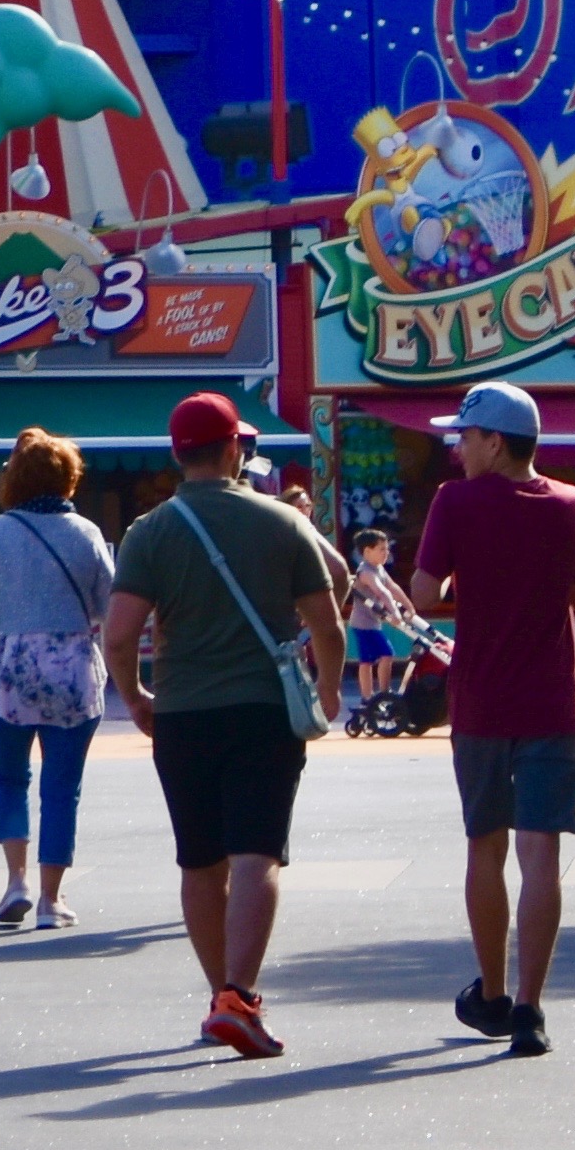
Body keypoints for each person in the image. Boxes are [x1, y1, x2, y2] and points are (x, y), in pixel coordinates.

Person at [100, 390, 347, 1059]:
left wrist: (135, 697)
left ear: (178, 453)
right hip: (263, 711)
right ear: (235, 447)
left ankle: (221, 999)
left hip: (181, 713)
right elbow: (327, 621)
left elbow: (118, 633)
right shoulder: (280, 522)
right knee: (256, 854)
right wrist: (324, 687)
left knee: (199, 859)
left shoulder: (150, 530)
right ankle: (238, 995)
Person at [413, 378, 575, 1060]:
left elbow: (423, 593)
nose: (457, 449)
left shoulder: (453, 502)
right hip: (552, 696)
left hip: (482, 700)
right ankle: (530, 1008)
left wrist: (467, 575)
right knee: (541, 851)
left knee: (484, 845)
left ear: (494, 440)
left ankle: (489, 992)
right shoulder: (570, 502)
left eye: (464, 436)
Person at [0, 426, 111, 929]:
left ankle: (14, 882)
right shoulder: (86, 534)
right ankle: (50, 900)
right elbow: (109, 603)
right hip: (73, 669)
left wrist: (10, 619)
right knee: (63, 787)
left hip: (8, 670)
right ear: (68, 479)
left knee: (9, 777)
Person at [342, 527, 416, 730]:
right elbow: (382, 592)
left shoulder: (379, 570)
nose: (386, 553)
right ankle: (375, 694)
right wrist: (396, 614)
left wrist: (409, 607)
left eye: (387, 549)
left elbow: (393, 588)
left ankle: (378, 694)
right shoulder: (365, 572)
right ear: (367, 551)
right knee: (382, 655)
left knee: (372, 659)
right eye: (381, 549)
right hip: (363, 624)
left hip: (373, 623)